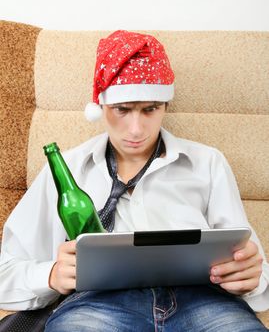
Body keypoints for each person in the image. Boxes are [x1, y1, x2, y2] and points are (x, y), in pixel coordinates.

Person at [0, 30, 268, 332]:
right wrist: (49, 275)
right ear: (101, 107)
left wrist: (251, 276)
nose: (136, 129)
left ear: (166, 105)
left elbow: (253, 266)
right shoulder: (65, 170)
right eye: (122, 110)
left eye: (150, 109)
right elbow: (6, 271)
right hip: (97, 304)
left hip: (205, 302)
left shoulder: (208, 163)